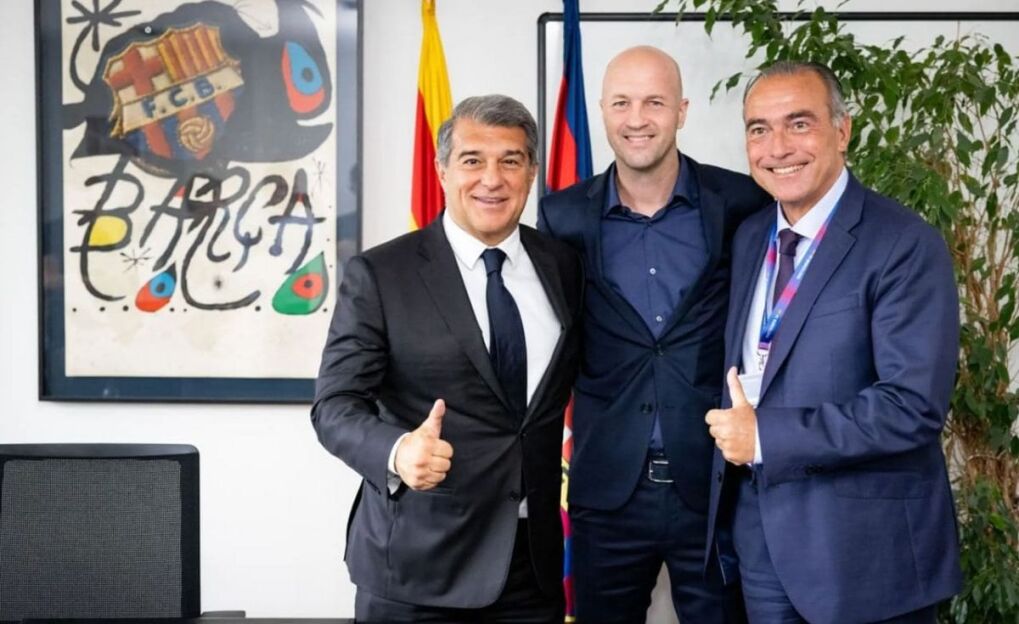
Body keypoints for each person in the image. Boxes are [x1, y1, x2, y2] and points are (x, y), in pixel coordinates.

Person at [704, 61, 962, 623]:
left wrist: (764, 436)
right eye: (758, 129)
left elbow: (911, 405)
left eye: (799, 124)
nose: (777, 147)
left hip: (867, 556)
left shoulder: (904, 243)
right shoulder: (751, 236)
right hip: (762, 545)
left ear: (842, 131)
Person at [312, 94, 583, 622]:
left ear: (532, 172)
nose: (492, 179)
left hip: (534, 568)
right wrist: (397, 452)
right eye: (472, 160)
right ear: (441, 170)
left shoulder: (563, 265)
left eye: (510, 160)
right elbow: (334, 406)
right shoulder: (381, 275)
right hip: (419, 569)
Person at [538, 45, 769, 622]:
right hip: (607, 488)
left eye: (654, 103)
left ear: (682, 111)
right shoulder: (561, 216)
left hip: (714, 484)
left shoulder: (742, 202)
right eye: (621, 103)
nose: (636, 118)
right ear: (602, 110)